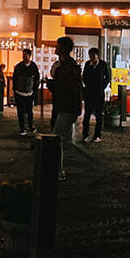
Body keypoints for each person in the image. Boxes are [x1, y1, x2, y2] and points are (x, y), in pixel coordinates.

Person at [46, 36, 83, 178]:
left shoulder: (68, 67)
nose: (55, 48)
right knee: (61, 139)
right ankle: (58, 170)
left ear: (63, 48)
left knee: (59, 139)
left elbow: (68, 88)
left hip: (66, 107)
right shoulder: (65, 65)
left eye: (57, 46)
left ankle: (59, 171)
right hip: (64, 106)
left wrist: (53, 85)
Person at [80, 47, 111, 142]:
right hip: (89, 93)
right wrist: (87, 86)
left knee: (99, 115)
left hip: (99, 93)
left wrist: (102, 87)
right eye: (90, 55)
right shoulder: (87, 64)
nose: (92, 58)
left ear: (97, 56)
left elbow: (108, 77)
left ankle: (97, 135)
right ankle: (85, 134)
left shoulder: (103, 64)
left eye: (94, 55)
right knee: (87, 115)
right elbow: (84, 76)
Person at [11, 48, 40, 135]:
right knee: (20, 111)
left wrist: (35, 90)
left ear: (29, 56)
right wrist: (15, 89)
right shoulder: (19, 66)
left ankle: (30, 126)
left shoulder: (33, 66)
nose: (23, 57)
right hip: (19, 92)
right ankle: (22, 128)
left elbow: (36, 79)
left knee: (29, 110)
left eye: (25, 55)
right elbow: (15, 78)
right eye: (22, 55)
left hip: (29, 92)